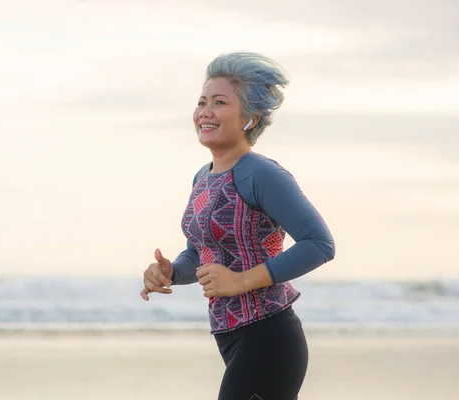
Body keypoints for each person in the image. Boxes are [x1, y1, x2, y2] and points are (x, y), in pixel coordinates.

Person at [140, 52, 335, 400]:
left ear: (250, 118)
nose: (205, 111)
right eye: (201, 102)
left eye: (219, 102)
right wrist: (170, 271)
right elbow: (200, 254)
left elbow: (319, 243)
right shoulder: (203, 177)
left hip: (269, 336)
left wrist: (242, 281)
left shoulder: (261, 173)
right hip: (231, 337)